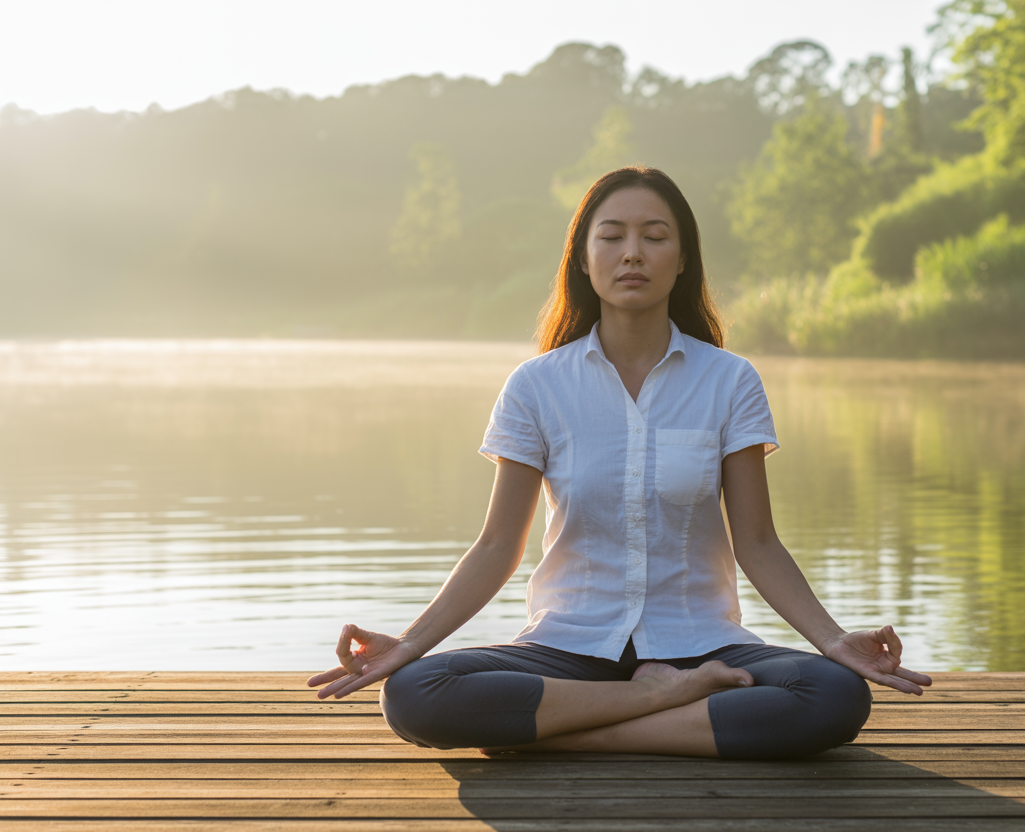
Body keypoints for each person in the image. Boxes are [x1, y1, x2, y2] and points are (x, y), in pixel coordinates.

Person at [308, 167, 931, 759]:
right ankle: (655, 705)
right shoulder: (536, 386)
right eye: (612, 237)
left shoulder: (730, 381)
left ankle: (572, 733)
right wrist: (412, 644)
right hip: (569, 645)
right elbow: (498, 544)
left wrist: (831, 639)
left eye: (654, 237)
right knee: (417, 692)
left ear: (681, 260)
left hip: (701, 647)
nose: (632, 252)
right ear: (584, 257)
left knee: (832, 695)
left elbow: (759, 542)